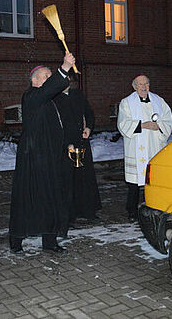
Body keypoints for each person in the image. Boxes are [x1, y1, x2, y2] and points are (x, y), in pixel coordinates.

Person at [9, 53, 75, 254]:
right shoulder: (31, 96)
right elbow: (47, 90)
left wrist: (67, 145)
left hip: (50, 158)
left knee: (51, 198)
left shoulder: (49, 101)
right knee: (26, 199)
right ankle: (16, 241)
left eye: (50, 75)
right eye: (45, 76)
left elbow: (58, 128)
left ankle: (50, 240)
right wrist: (63, 68)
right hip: (32, 158)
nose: (49, 78)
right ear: (34, 80)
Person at [117, 74, 172, 222]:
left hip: (154, 146)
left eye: (146, 84)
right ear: (134, 86)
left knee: (154, 180)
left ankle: (154, 207)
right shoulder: (127, 102)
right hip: (136, 146)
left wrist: (159, 126)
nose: (143, 87)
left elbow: (168, 118)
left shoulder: (158, 101)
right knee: (135, 183)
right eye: (140, 85)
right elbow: (123, 123)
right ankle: (132, 212)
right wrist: (143, 125)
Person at [54, 75, 101, 229]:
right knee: (68, 180)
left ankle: (88, 211)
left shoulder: (78, 95)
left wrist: (88, 128)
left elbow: (89, 113)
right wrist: (67, 143)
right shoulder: (54, 99)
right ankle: (69, 215)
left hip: (82, 141)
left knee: (86, 177)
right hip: (65, 145)